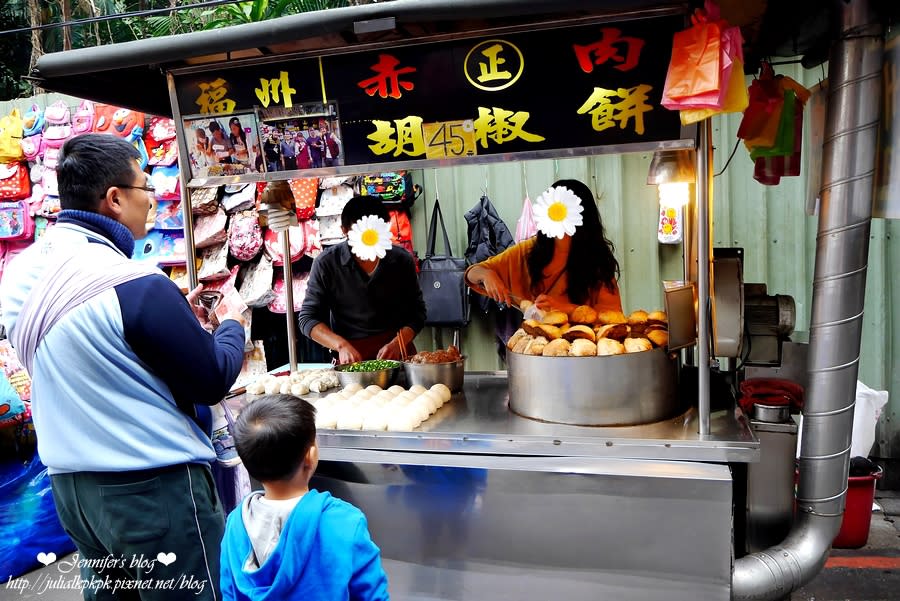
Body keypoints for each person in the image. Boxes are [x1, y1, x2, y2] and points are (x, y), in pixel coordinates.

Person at [0, 134, 246, 600]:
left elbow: (92, 351)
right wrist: (231, 324)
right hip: (154, 492)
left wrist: (170, 315)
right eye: (146, 188)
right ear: (114, 199)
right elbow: (212, 376)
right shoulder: (136, 284)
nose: (152, 201)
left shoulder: (19, 275)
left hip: (74, 492)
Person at [221, 394, 389, 601]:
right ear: (310, 456)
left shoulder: (235, 524)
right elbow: (372, 595)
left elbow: (229, 592)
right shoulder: (345, 521)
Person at [465, 178, 623, 316]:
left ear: (582, 217)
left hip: (584, 346)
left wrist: (564, 308)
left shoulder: (596, 259)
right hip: (536, 344)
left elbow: (612, 317)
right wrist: (486, 274)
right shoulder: (527, 251)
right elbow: (471, 274)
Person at [298, 195, 426, 363]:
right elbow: (307, 319)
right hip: (351, 359)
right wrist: (341, 345)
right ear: (344, 230)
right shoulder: (326, 263)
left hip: (398, 354)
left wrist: (397, 343)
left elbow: (417, 314)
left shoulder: (401, 260)